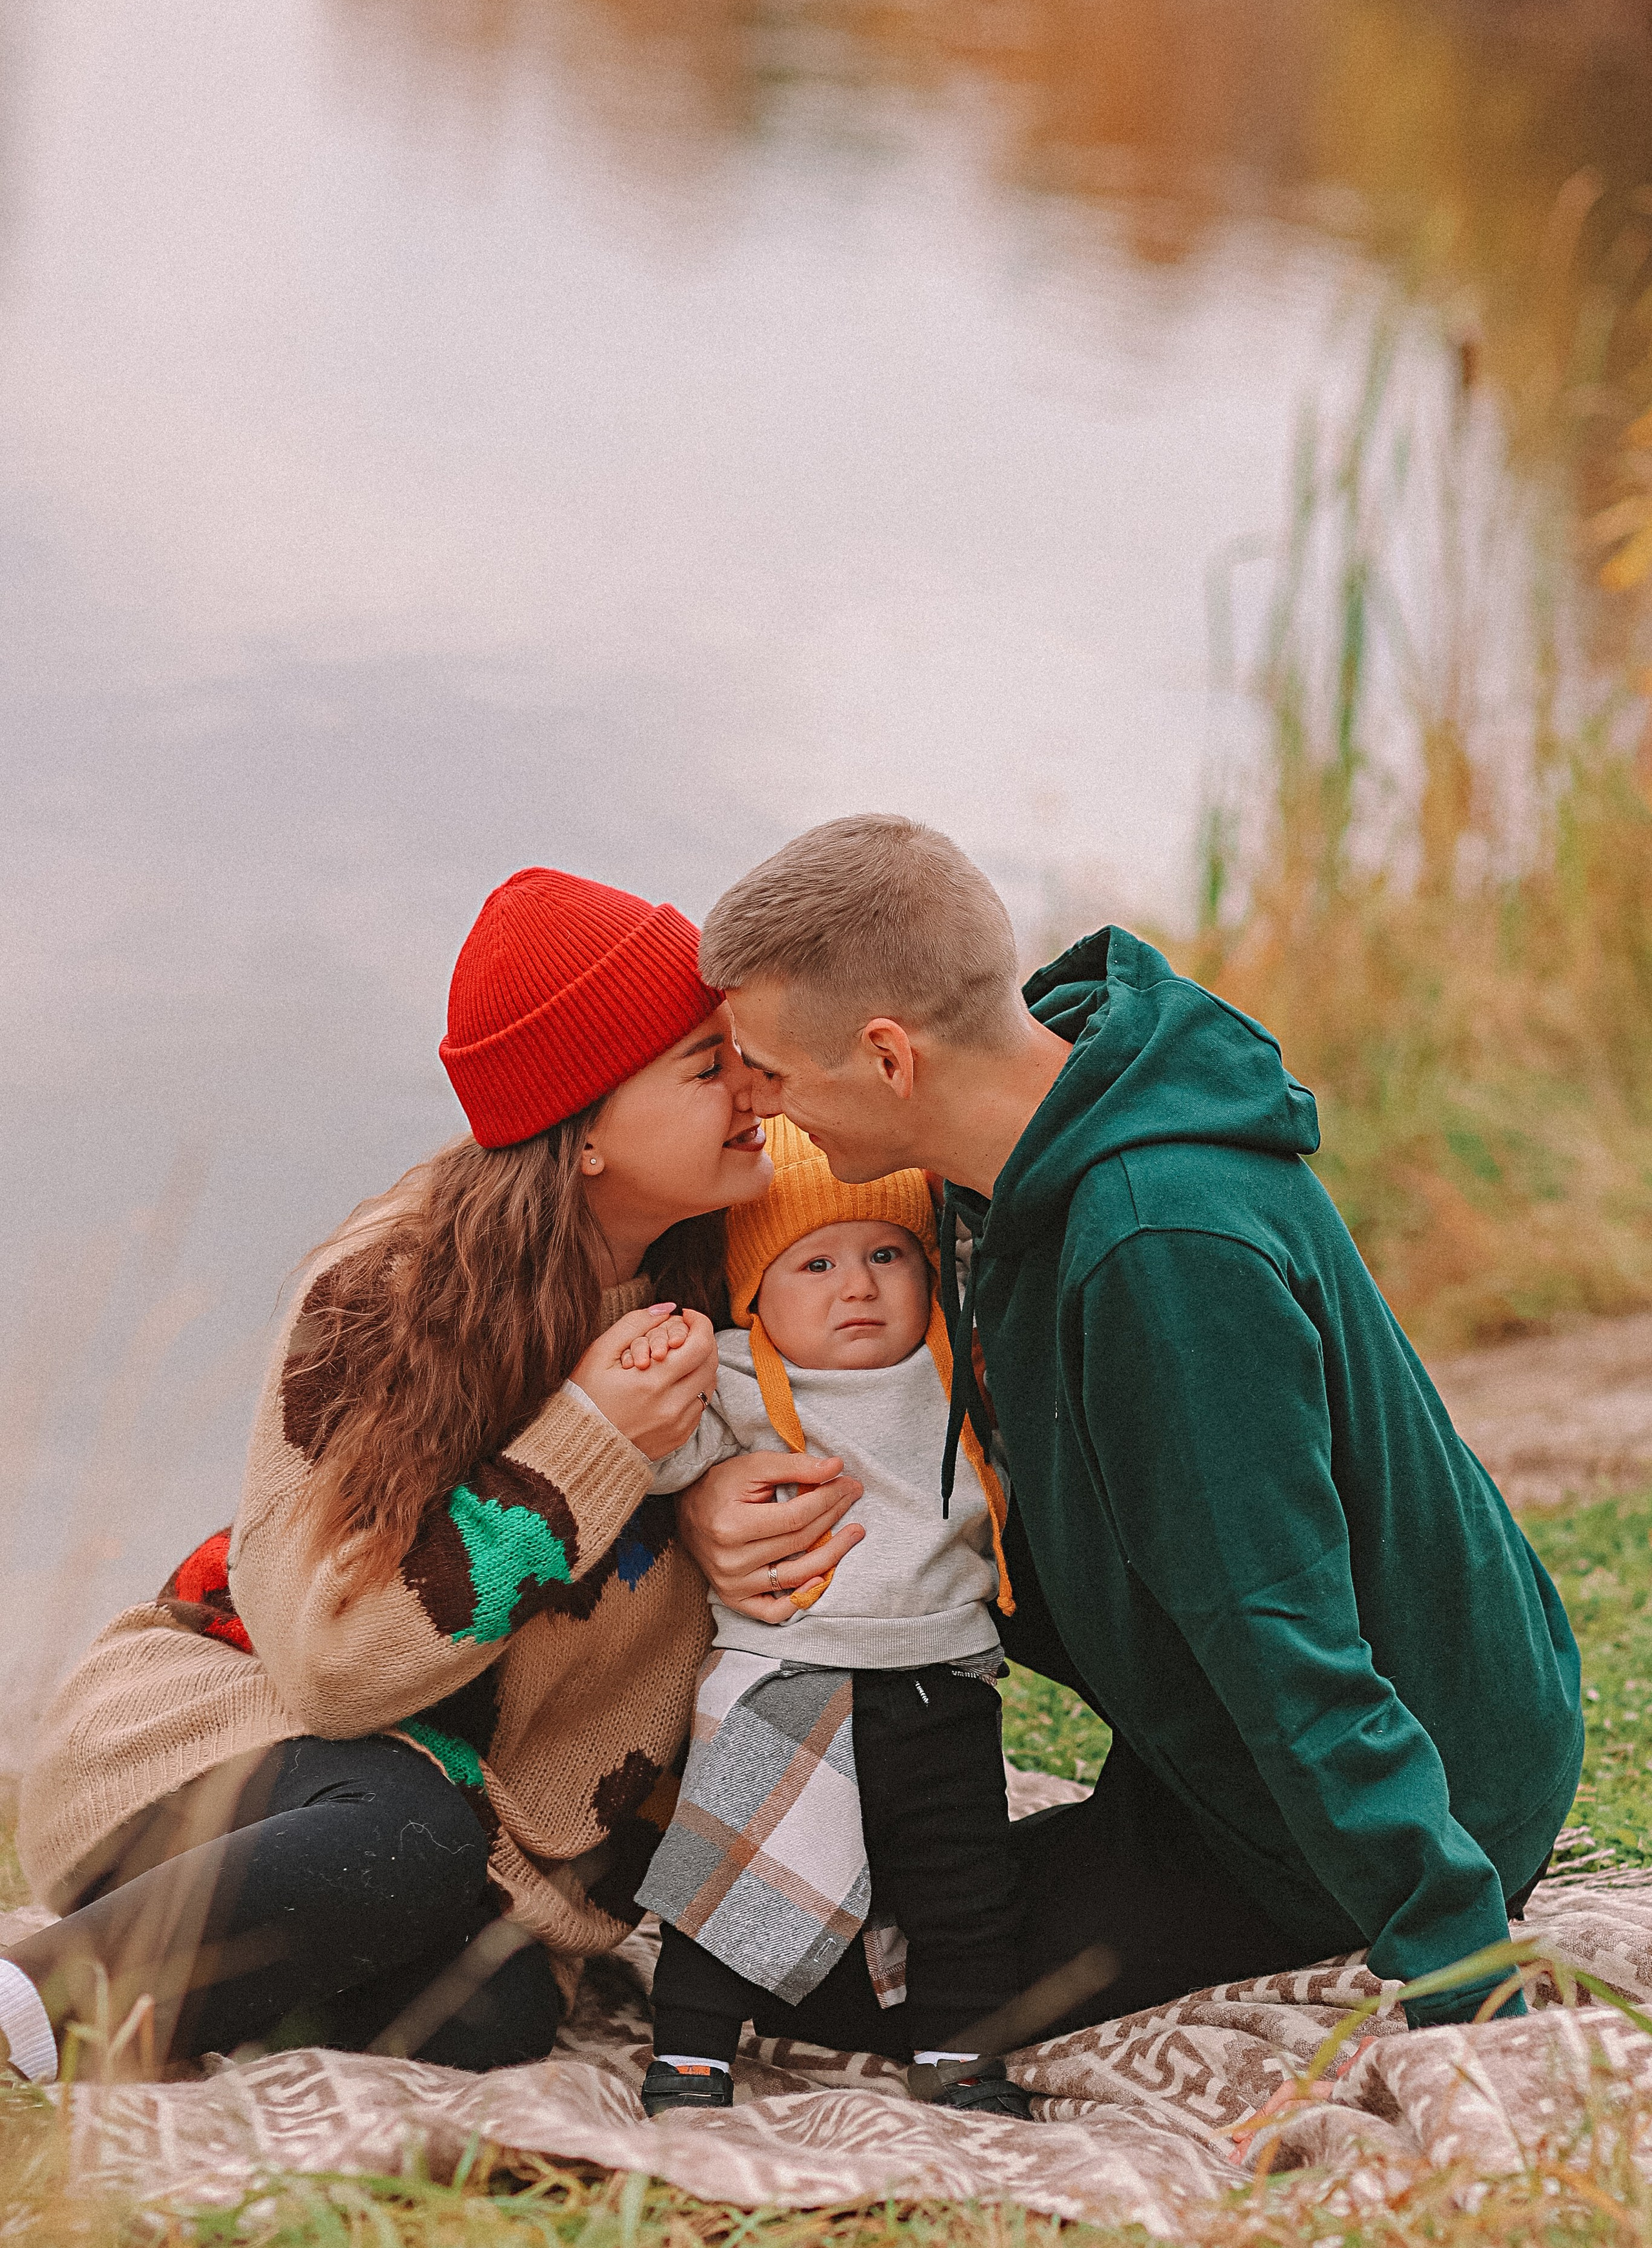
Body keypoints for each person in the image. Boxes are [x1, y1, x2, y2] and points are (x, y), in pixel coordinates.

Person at [674, 813, 1584, 2043]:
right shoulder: (1044, 1120)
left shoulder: (1159, 1248)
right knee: (763, 1922)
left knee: (856, 1984)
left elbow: (1279, 1628)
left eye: (774, 1073)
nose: (763, 1110)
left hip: (1415, 1780)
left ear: (890, 1057)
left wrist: (1464, 1976)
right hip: (1288, 1743)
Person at [0, 867, 772, 2082]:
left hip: (473, 1840)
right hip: (222, 1750)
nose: (753, 1086)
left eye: (739, 1047)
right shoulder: (393, 1293)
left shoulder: (741, 1260)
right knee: (404, 1845)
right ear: (582, 1135)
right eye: (703, 1063)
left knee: (492, 2022)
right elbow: (339, 1669)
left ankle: (162, 2002)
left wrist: (708, 1497)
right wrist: (587, 1445)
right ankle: (23, 2021)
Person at [634, 1116, 1031, 2118]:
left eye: (888, 1255)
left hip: (944, 1674)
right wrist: (654, 1382)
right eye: (814, 1262)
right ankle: (689, 2056)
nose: (857, 1286)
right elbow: (658, 1459)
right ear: (753, 1293)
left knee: (966, 1894)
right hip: (787, 1673)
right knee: (733, 1876)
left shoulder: (955, 1371)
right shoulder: (734, 1371)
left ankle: (961, 2061)